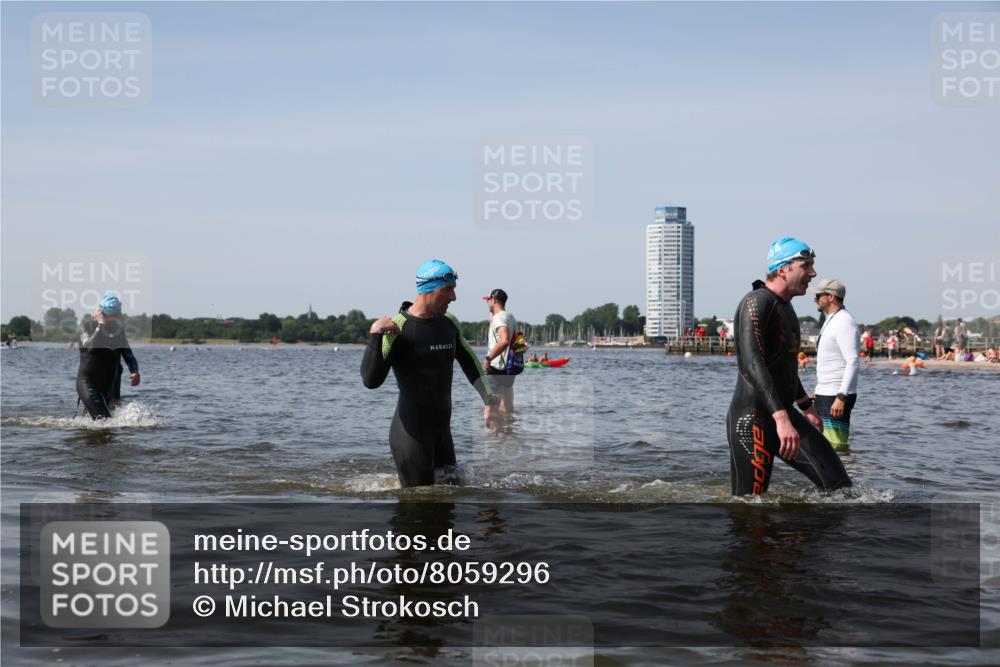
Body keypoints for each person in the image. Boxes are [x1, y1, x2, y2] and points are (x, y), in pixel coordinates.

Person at [726, 237, 851, 496]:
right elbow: (752, 364)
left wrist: (806, 405)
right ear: (783, 269)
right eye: (806, 266)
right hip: (754, 420)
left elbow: (785, 365)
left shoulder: (786, 308)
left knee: (841, 488)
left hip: (783, 415)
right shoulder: (756, 302)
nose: (813, 273)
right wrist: (781, 418)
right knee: (751, 509)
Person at [361, 259, 499, 488]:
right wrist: (375, 334)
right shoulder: (398, 327)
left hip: (443, 434)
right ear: (427, 291)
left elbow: (469, 361)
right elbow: (370, 380)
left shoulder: (449, 323)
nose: (453, 297)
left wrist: (489, 400)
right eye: (447, 290)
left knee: (450, 502)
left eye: (454, 289)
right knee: (418, 508)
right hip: (410, 436)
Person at [809, 278, 861, 451]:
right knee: (823, 447)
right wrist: (819, 390)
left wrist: (841, 396)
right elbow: (830, 361)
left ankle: (846, 476)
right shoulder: (831, 320)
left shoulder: (844, 321)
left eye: (818, 295)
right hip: (826, 392)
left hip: (837, 396)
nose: (815, 299)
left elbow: (852, 361)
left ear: (831, 297)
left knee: (836, 448)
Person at [76, 295, 140, 420]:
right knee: (105, 422)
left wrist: (135, 372)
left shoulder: (118, 331)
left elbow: (128, 354)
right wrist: (100, 324)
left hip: (109, 387)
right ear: (102, 314)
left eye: (118, 316)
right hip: (90, 385)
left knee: (96, 424)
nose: (117, 319)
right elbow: (90, 349)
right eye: (113, 316)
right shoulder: (87, 326)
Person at [482, 288, 518, 422]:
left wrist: (488, 359)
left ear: (494, 300)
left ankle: (492, 440)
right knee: (507, 407)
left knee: (489, 411)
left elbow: (504, 341)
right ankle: (506, 436)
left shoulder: (499, 317)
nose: (487, 303)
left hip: (496, 368)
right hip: (509, 369)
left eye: (488, 301)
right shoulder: (510, 317)